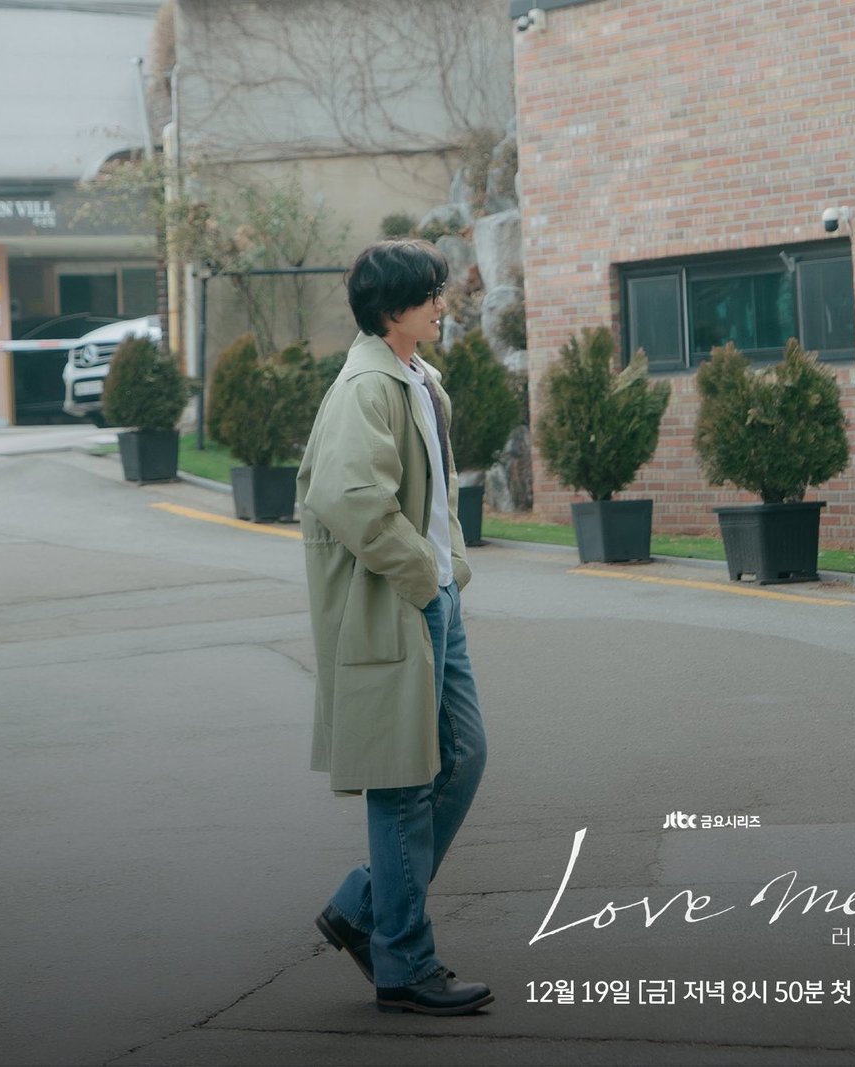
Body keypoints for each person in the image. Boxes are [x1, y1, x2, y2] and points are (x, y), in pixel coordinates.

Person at [296, 239, 492, 1016]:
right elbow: (351, 499)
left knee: (463, 755)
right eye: (429, 295)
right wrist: (421, 576)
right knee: (404, 780)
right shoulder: (365, 388)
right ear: (390, 309)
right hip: (399, 602)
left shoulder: (416, 378)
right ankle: (405, 964)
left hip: (434, 598)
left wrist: (448, 571)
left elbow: (434, 496)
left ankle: (361, 906)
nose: (442, 305)